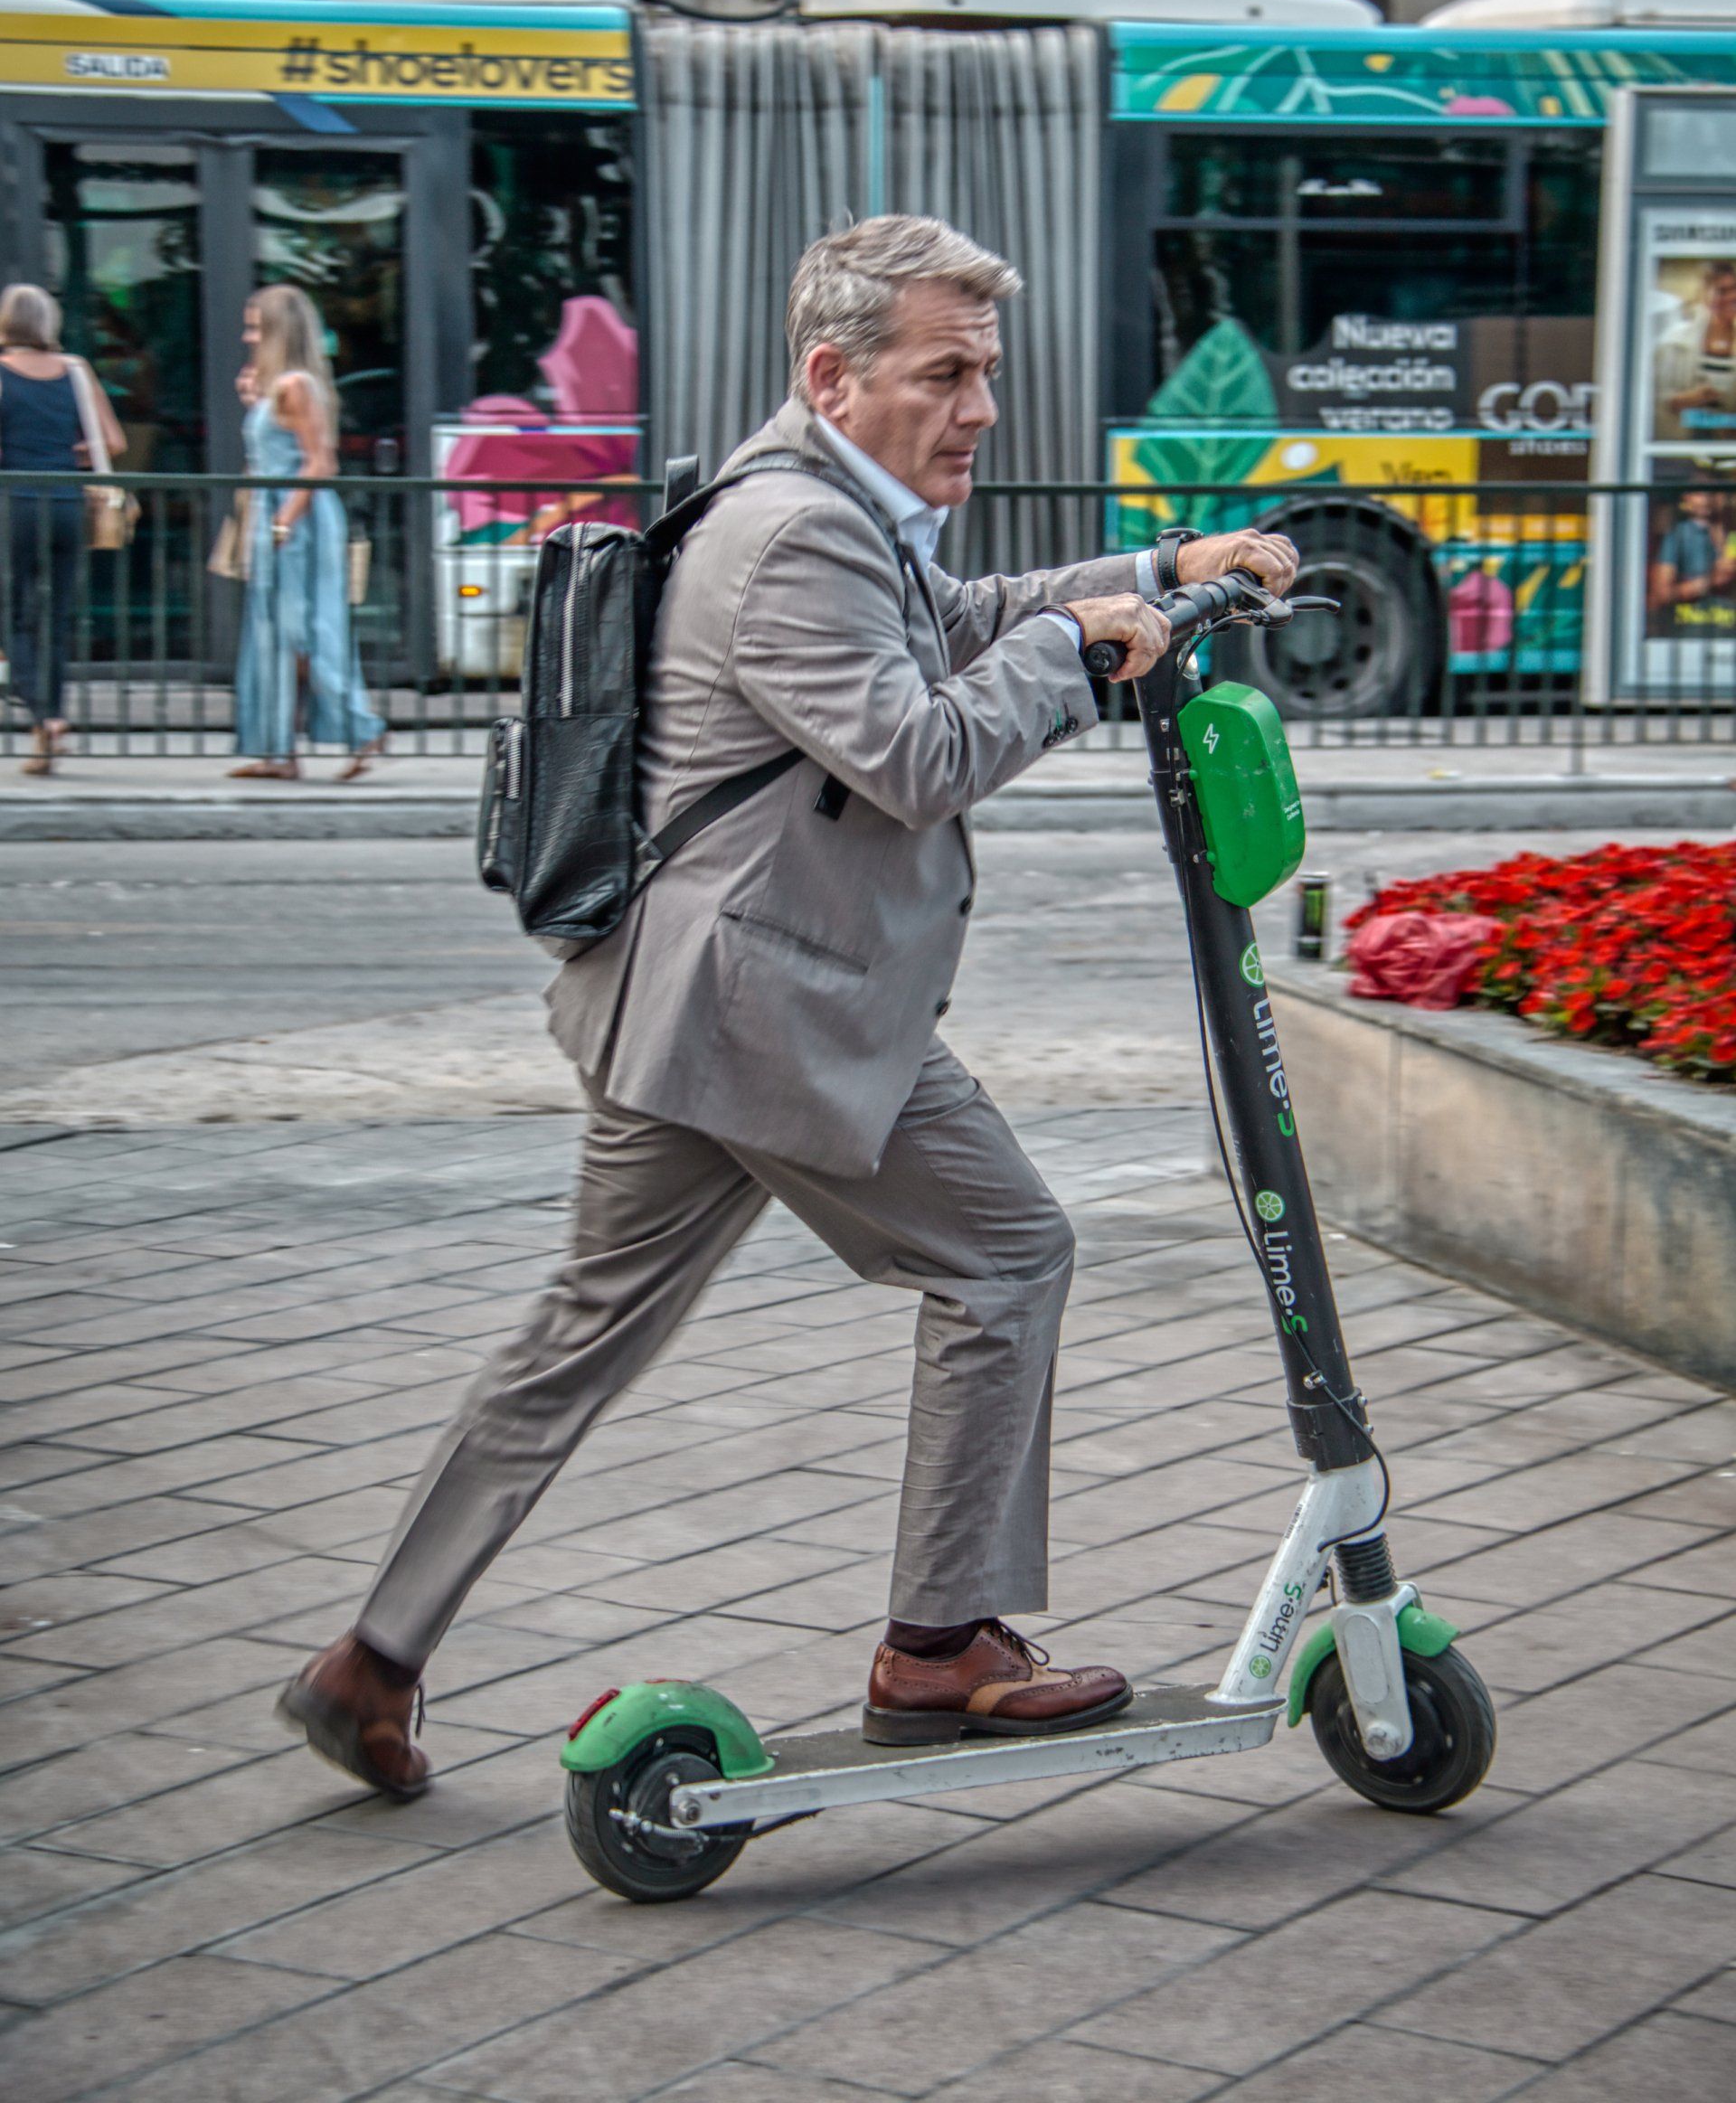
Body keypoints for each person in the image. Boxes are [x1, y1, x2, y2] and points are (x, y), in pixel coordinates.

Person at [279, 215, 1298, 1798]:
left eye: (989, 374)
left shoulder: (829, 504)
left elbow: (959, 623)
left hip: (694, 1008)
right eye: (945, 374)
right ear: (835, 373)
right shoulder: (796, 533)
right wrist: (1066, 656)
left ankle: (372, 1663)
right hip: (775, 1010)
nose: (978, 408)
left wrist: (1161, 574)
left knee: (580, 1334)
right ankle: (941, 1644)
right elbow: (921, 752)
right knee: (1008, 1252)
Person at [231, 285, 385, 781]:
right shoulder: (280, 385)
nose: (247, 335)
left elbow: (321, 462)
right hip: (279, 518)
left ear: (279, 331)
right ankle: (280, 752)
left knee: (305, 632)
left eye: (256, 326)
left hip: (296, 520)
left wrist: (281, 522)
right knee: (273, 635)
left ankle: (361, 728)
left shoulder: (296, 385)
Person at [0, 283, 125, 776]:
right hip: (68, 505)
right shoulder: (76, 371)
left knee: (11, 614)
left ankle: (44, 716)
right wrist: (62, 455)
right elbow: (110, 441)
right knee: (53, 618)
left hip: (14, 506)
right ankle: (44, 735)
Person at [1654, 260, 1736, 439]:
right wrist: (1694, 398)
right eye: (1722, 291)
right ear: (1705, 295)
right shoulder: (1675, 341)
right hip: (1684, 452)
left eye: (1735, 289)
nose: (1732, 297)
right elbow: (1655, 399)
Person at [1648, 485, 1734, 629]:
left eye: (1713, 493)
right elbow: (1661, 594)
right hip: (1689, 628)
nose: (1707, 500)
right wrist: (1710, 581)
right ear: (1687, 498)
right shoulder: (1678, 536)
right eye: (1699, 494)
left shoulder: (1731, 535)